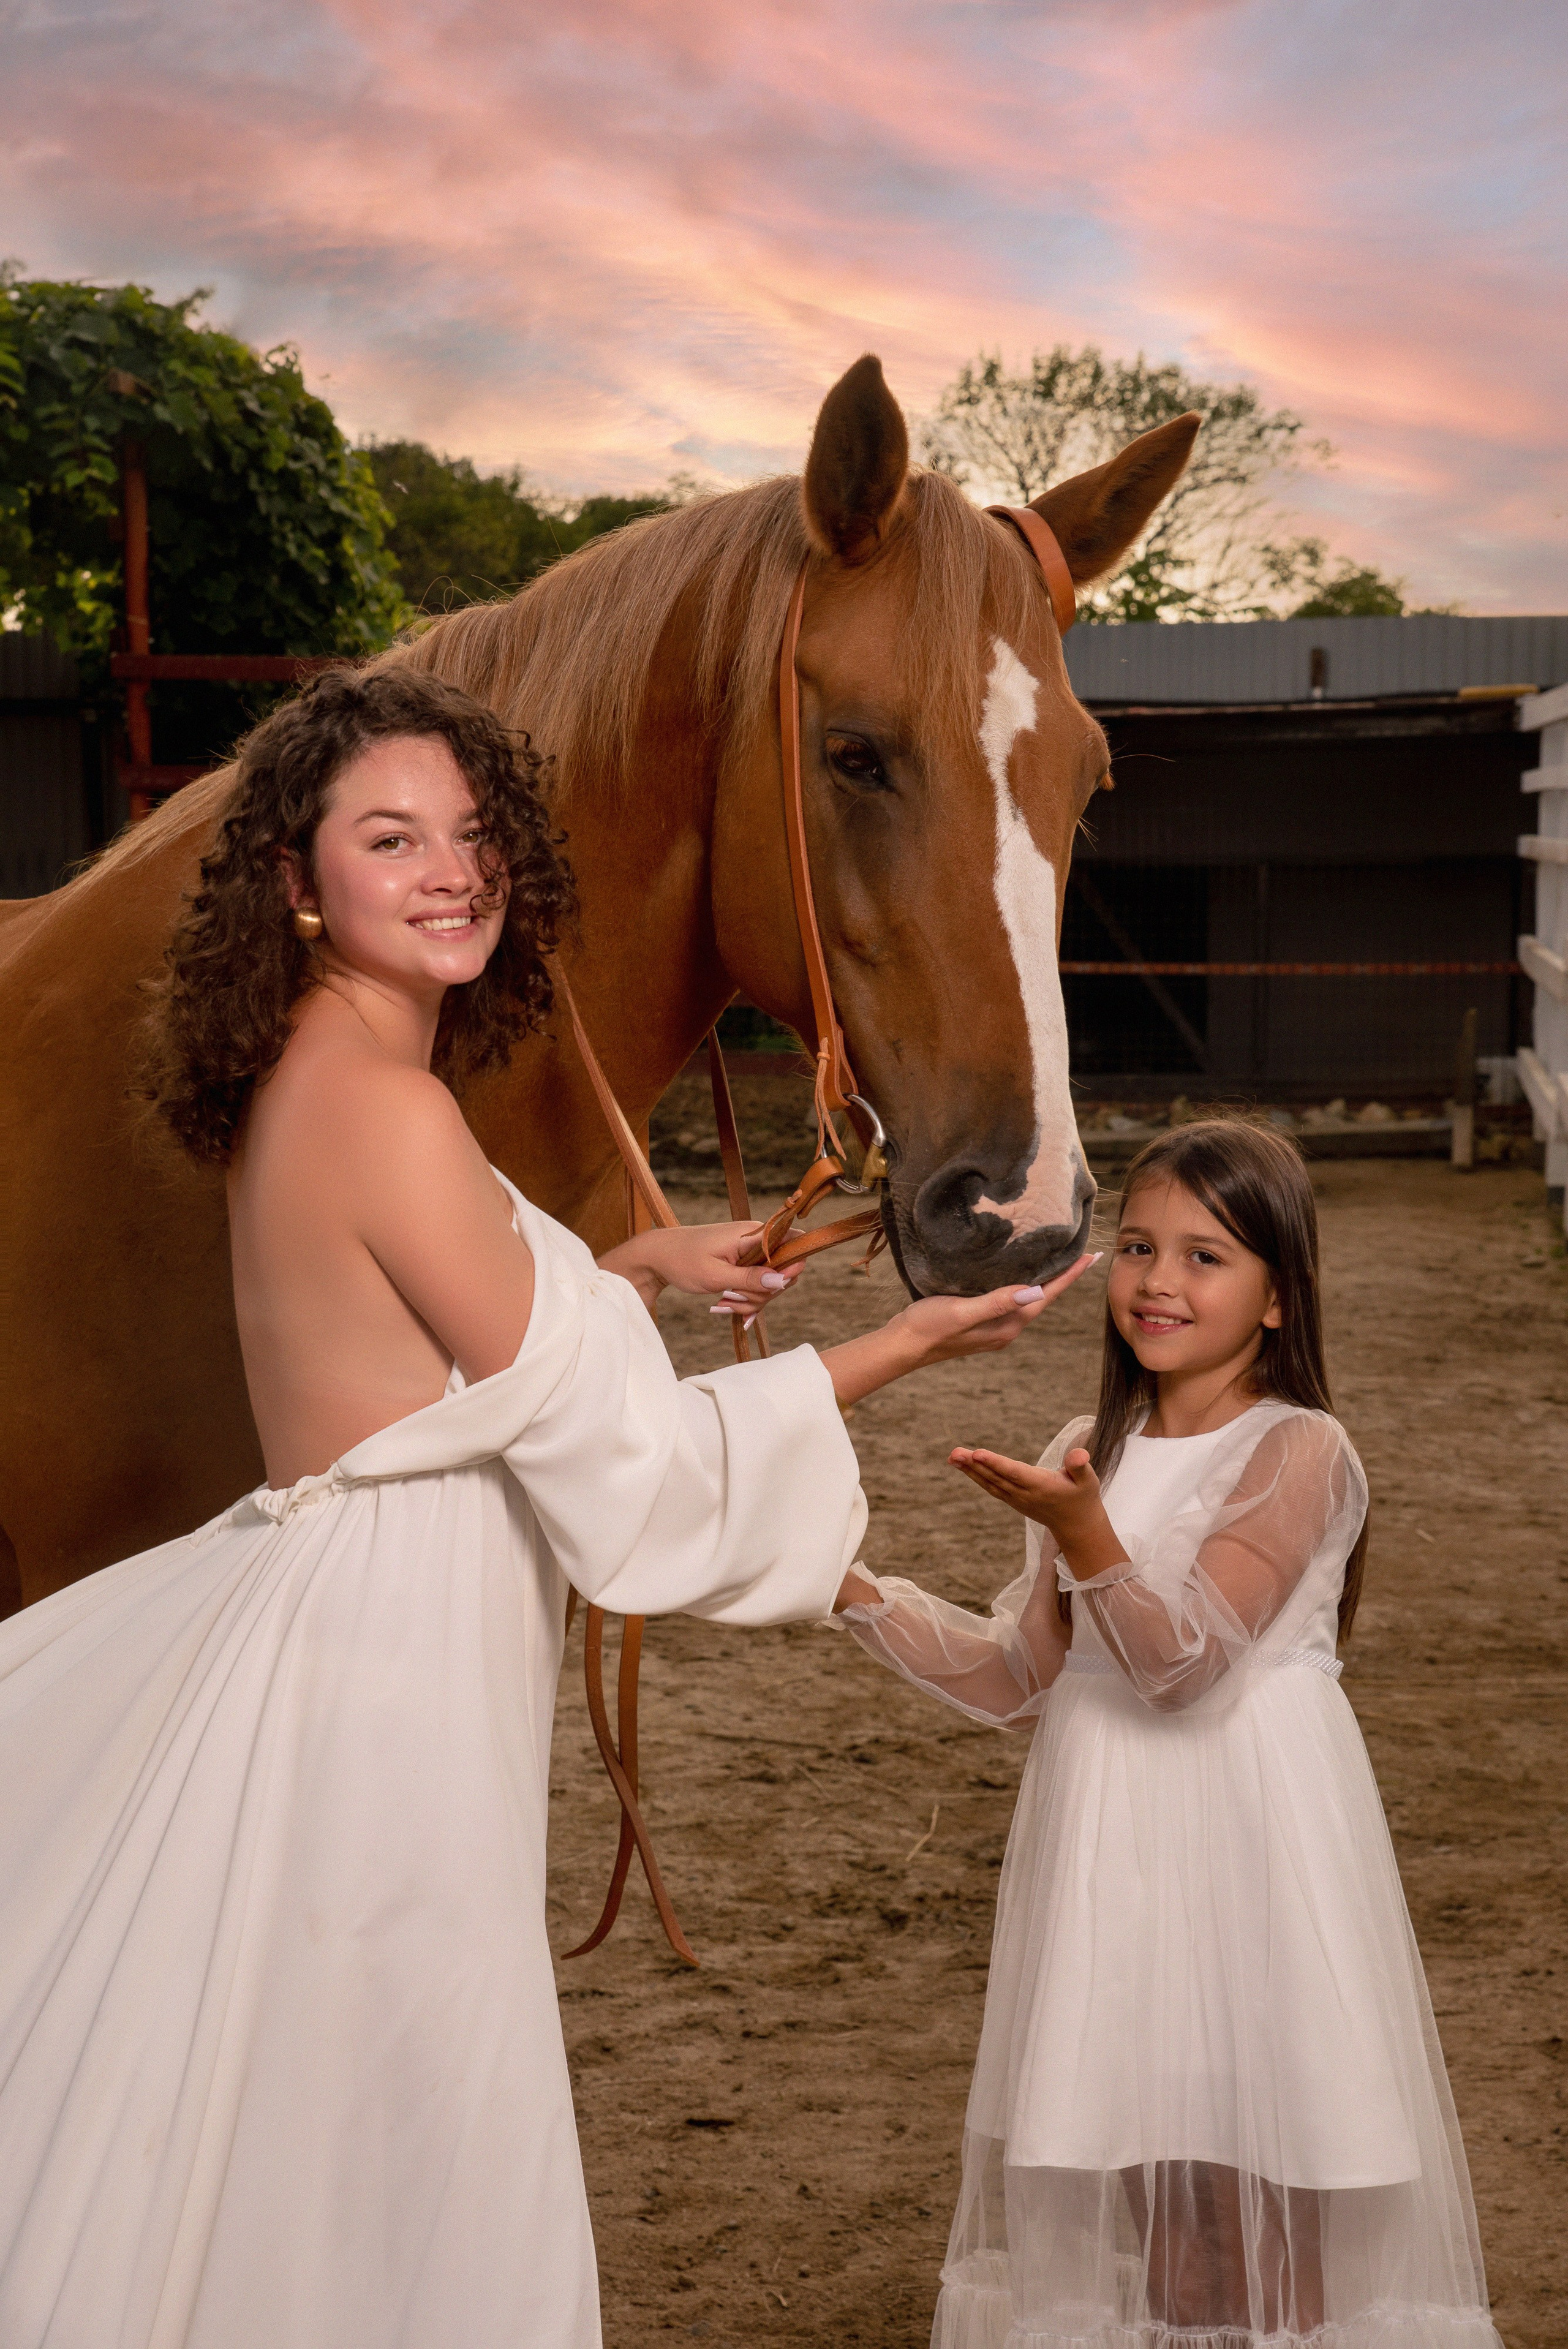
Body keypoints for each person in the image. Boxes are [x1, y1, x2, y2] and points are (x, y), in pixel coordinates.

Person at [0, 666, 1093, 2349]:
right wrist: (901, 1340)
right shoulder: (394, 1111)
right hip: (390, 1682)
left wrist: (632, 1263)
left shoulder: (331, 1069)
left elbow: (427, 1322)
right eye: (389, 837)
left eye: (472, 831)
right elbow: (637, 1486)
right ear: (299, 880)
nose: (451, 869)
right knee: (415, 2110)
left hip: (361, 1625)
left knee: (319, 2100)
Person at [835, 1119, 1503, 2349]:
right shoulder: (1086, 1457)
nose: (1156, 1281)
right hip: (1117, 1864)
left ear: (1273, 1298)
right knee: (1156, 2206)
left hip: (1247, 1852)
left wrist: (1085, 1534)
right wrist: (841, 1583)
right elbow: (1018, 1679)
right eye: (1138, 1246)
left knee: (1262, 2209)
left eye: (1205, 1256)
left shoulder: (1296, 1449)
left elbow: (1180, 1663)